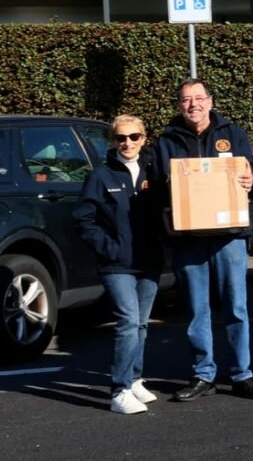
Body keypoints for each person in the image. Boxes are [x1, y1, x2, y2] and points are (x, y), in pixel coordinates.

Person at [155, 79, 253, 401]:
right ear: (178, 105)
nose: (193, 105)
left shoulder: (232, 134)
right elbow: (157, 191)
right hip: (188, 239)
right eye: (186, 99)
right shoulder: (167, 140)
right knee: (196, 309)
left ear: (210, 100)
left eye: (199, 98)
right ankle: (203, 374)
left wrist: (252, 179)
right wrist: (168, 220)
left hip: (228, 237)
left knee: (236, 306)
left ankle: (242, 374)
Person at [73, 115, 162, 414]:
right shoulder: (100, 176)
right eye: (121, 138)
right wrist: (108, 248)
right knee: (127, 321)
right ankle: (119, 389)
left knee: (141, 324)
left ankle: (136, 378)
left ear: (144, 137)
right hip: (116, 264)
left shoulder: (155, 171)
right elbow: (84, 220)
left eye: (134, 137)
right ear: (113, 141)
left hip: (149, 260)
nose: (128, 143)